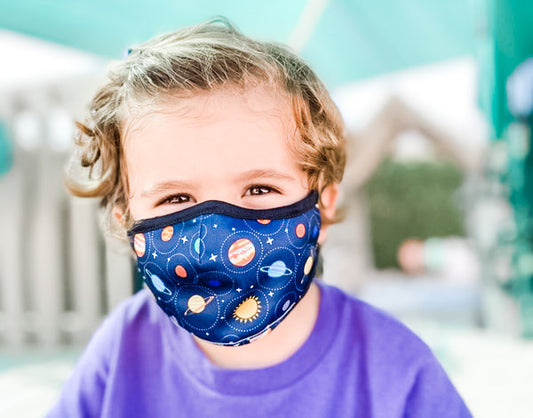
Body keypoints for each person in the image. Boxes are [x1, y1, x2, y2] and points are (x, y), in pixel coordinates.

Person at [47, 19, 471, 417]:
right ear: (126, 218)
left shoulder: (396, 372)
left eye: (259, 189)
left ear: (323, 204)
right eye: (176, 197)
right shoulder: (121, 351)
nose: (217, 233)